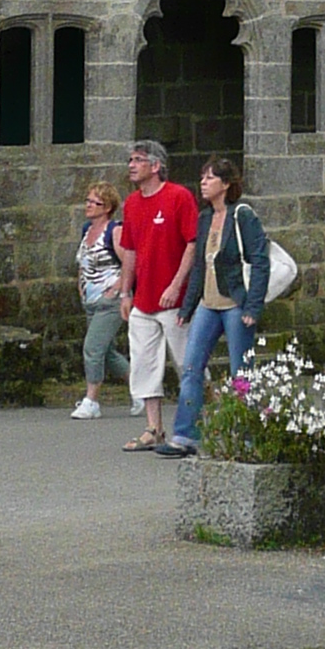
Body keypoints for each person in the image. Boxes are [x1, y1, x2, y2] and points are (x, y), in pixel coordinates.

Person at [158, 158, 270, 456]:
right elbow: (199, 267)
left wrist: (253, 307)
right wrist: (187, 306)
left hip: (235, 304)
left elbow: (260, 261)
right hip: (208, 304)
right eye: (202, 177)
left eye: (210, 178)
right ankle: (186, 435)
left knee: (241, 373)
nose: (203, 183)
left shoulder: (242, 216)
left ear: (227, 184)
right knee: (191, 367)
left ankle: (247, 438)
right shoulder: (205, 217)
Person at [116, 138, 199, 450]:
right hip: (144, 299)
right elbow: (130, 250)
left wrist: (177, 284)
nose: (131, 166)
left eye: (138, 160)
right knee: (144, 364)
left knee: (188, 364)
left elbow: (192, 243)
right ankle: (154, 428)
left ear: (156, 165)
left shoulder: (179, 197)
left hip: (174, 301)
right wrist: (126, 292)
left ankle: (202, 423)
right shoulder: (132, 203)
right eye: (130, 160)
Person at [70, 182, 130, 419]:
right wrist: (81, 287)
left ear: (107, 208)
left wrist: (117, 289)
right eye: (87, 200)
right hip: (91, 300)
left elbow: (130, 262)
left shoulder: (115, 231)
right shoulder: (87, 230)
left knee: (92, 348)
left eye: (94, 202)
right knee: (107, 353)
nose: (88, 205)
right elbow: (83, 262)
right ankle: (141, 391)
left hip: (110, 301)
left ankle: (91, 400)